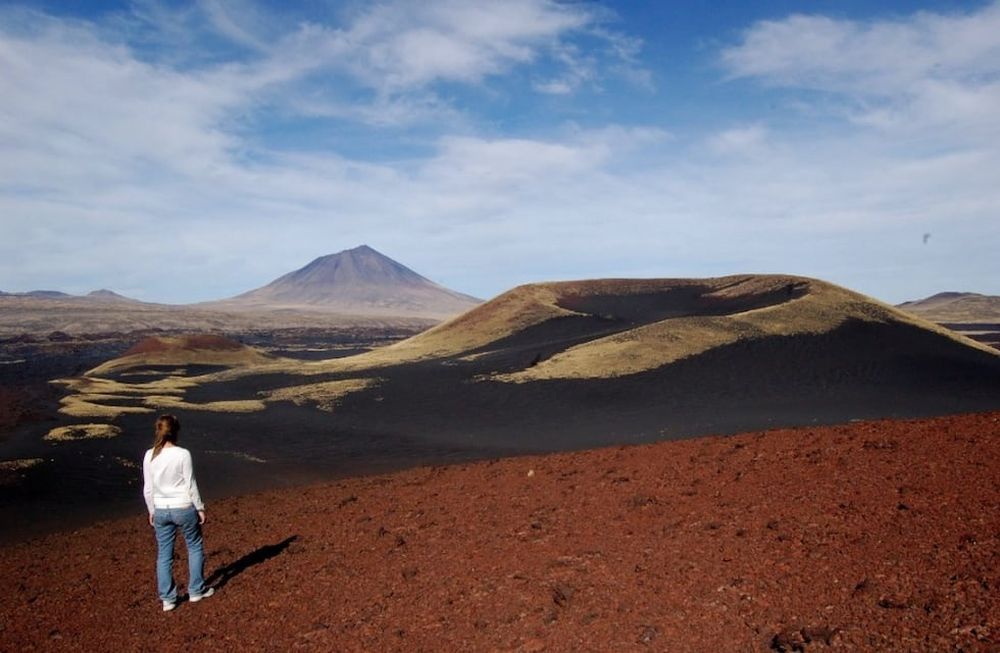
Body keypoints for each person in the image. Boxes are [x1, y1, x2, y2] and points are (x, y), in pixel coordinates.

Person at [142, 414, 215, 611]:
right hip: (183, 507)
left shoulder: (150, 455)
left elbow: (148, 489)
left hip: (161, 510)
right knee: (194, 546)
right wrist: (199, 507)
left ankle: (167, 599)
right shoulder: (183, 454)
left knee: (164, 555)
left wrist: (151, 510)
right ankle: (196, 591)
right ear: (176, 431)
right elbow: (190, 484)